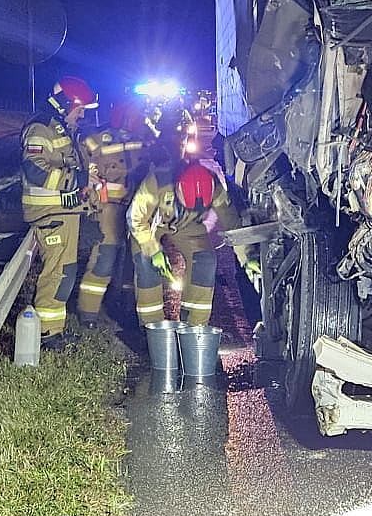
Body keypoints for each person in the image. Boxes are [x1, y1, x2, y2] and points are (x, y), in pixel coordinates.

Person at [20, 75, 95, 347]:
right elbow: (35, 169)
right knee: (57, 272)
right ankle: (45, 334)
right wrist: (74, 182)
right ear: (65, 104)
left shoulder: (60, 129)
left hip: (63, 211)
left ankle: (54, 328)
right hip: (49, 213)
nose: (82, 115)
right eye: (80, 109)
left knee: (66, 270)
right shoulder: (41, 129)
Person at [128, 159, 244, 329]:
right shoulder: (157, 181)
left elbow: (232, 224)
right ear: (178, 188)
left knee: (205, 260)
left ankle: (194, 328)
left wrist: (246, 257)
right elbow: (135, 219)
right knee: (146, 265)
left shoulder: (215, 188)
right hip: (150, 223)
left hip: (188, 223)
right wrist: (153, 250)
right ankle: (151, 329)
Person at [74, 101, 145, 327]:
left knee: (131, 263)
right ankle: (88, 312)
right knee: (104, 259)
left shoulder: (137, 140)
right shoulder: (100, 140)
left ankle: (123, 304)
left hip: (132, 208)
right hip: (108, 209)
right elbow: (100, 168)